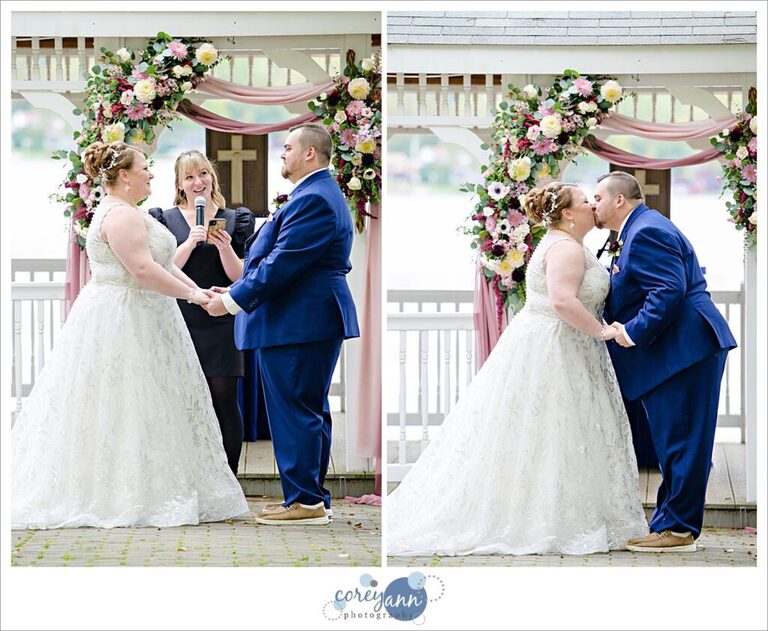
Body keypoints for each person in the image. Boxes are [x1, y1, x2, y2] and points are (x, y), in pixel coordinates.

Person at [386, 182, 648, 556]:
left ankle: (557, 510)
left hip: (555, 343)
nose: (592, 204)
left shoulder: (566, 243)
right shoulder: (565, 248)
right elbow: (561, 300)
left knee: (552, 430)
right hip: (555, 345)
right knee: (551, 426)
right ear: (569, 213)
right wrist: (603, 331)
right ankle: (543, 519)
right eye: (584, 200)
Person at [11, 141, 249, 529]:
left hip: (146, 314)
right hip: (121, 316)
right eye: (144, 168)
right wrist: (192, 295)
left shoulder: (132, 212)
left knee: (149, 402)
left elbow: (164, 265)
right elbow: (141, 270)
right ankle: (120, 492)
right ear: (123, 175)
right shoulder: (119, 216)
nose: (151, 174)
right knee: (122, 399)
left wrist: (200, 292)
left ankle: (149, 483)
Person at [205, 123, 359, 526]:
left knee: (295, 409)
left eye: (288, 147)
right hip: (303, 317)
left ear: (310, 153)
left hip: (300, 318)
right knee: (307, 407)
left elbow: (281, 265)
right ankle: (310, 496)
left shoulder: (315, 199)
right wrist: (238, 285)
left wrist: (230, 301)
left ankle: (305, 502)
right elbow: (279, 263)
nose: (282, 154)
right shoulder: (315, 194)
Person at [594, 171, 737, 553]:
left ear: (619, 200)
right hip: (679, 349)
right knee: (675, 439)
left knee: (683, 439)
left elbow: (668, 289)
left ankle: (678, 530)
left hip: (685, 349)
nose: (594, 204)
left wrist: (631, 332)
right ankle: (670, 523)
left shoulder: (646, 232)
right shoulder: (639, 228)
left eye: (598, 197)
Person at [149, 150, 255, 475]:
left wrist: (224, 247)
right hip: (179, 317)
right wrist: (189, 243)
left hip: (220, 316)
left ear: (212, 178)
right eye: (190, 177)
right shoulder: (163, 220)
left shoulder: (235, 219)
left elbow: (240, 277)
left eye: (204, 174)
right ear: (181, 185)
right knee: (183, 402)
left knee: (224, 397)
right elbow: (160, 270)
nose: (199, 182)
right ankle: (189, 475)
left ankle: (229, 476)